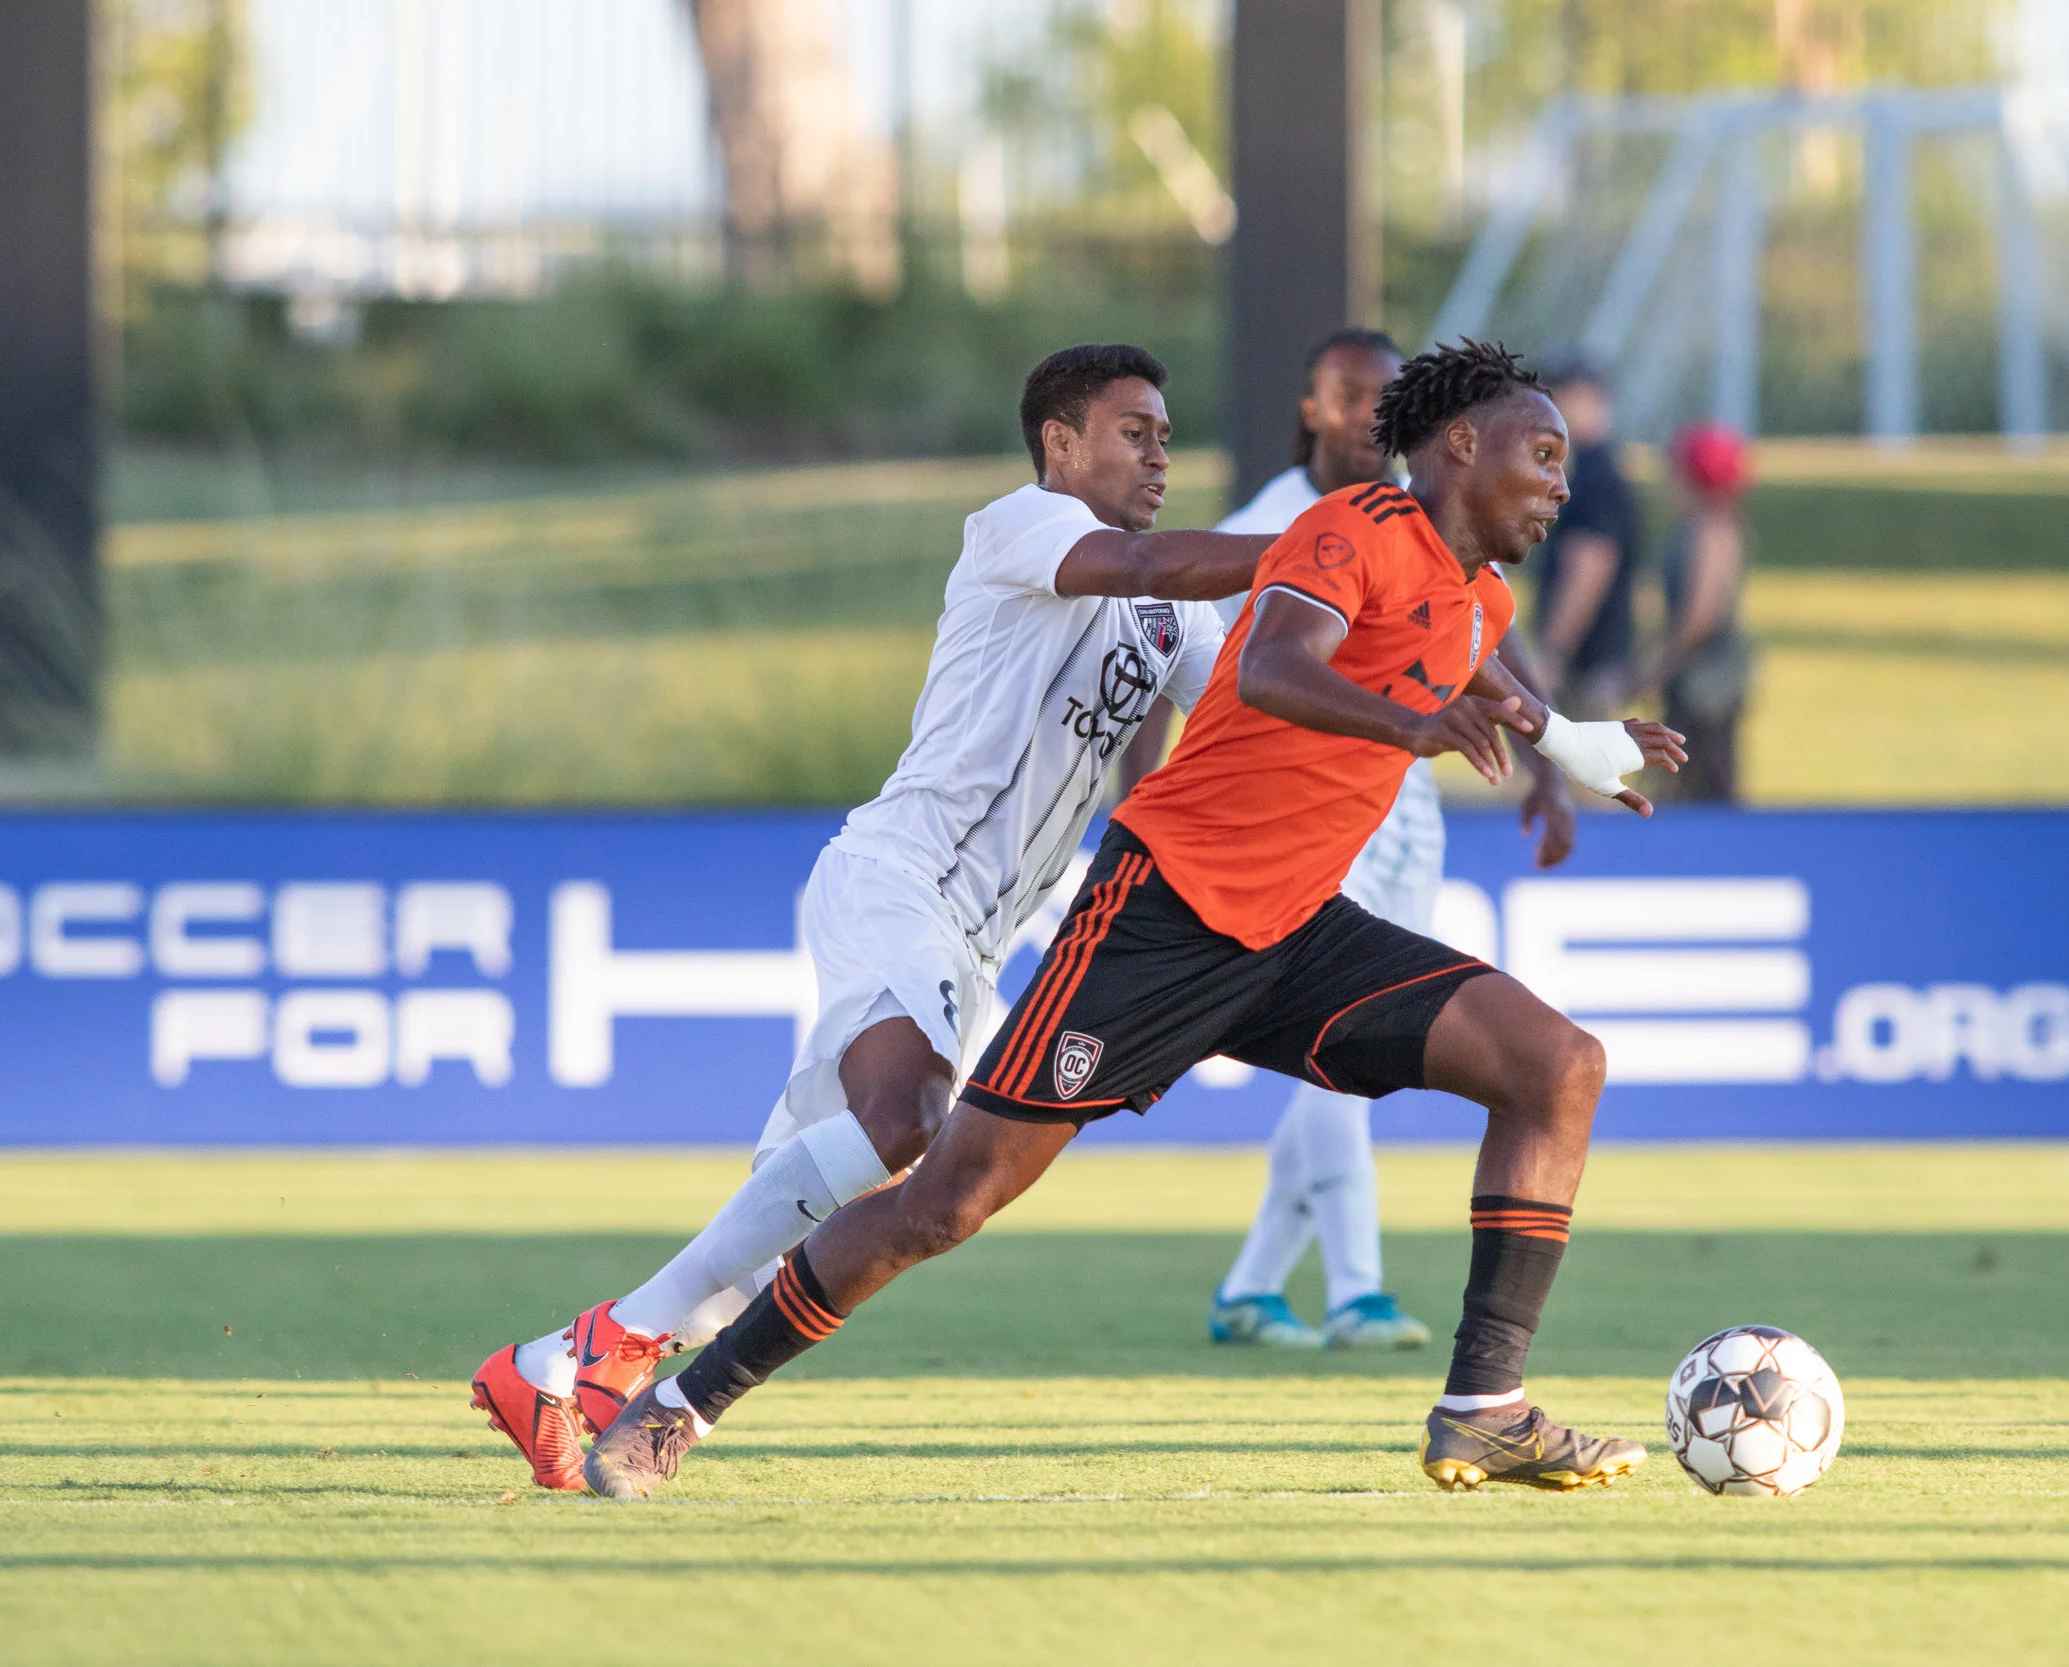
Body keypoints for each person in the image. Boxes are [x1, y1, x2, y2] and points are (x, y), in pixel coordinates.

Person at [582, 340, 1688, 1502]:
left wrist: (1573, 749)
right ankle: (677, 1403)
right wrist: (1405, 728)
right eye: (1545, 453)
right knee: (941, 1202)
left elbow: (1483, 678)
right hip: (1158, 913)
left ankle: (1484, 1407)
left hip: (1299, 932)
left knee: (1556, 1066)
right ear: (1460, 444)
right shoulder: (1353, 526)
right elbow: (1269, 667)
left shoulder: (1478, 594)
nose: (1564, 482)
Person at [468, 343, 1278, 1491]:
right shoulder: (1023, 525)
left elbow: (1254, 684)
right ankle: (610, 1343)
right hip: (900, 877)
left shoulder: (1160, 606)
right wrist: (1318, 545)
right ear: (1059, 442)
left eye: (1163, 432)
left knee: (798, 1210)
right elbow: (1149, 557)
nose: (1159, 451)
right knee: (906, 1119)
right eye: (1132, 429)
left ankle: (555, 1362)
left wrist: (1448, 695)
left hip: (975, 934)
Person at [1200, 327, 1579, 1353]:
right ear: (1311, 405)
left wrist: (1557, 755)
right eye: (1347, 393)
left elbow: (1480, 639)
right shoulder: (1287, 524)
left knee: (1346, 1049)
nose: (1368, 413)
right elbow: (1204, 659)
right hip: (1302, 804)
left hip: (1401, 800)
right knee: (1341, 1048)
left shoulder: (1433, 530)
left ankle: (1249, 1285)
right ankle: (1358, 1285)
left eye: (1382, 393)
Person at [1639, 421, 1754, 803]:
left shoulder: (1710, 529)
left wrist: (1658, 664)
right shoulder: (1708, 525)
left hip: (1705, 687)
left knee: (1699, 791)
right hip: (1701, 681)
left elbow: (1701, 614)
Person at [1525, 357, 1641, 720]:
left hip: (1587, 667)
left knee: (1576, 773)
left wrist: (1553, 652)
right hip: (1585, 662)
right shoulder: (1591, 468)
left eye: (1555, 397)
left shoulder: (1597, 477)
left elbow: (1589, 568)